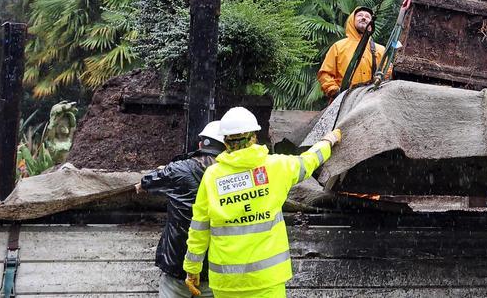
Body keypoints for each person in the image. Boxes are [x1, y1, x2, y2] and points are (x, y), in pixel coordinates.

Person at [183, 106, 342, 298]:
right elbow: (308, 161)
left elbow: (199, 228)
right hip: (267, 280)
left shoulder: (212, 176)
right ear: (254, 137)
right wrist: (328, 141)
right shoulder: (277, 166)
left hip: (227, 283)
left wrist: (192, 268)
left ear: (225, 141)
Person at [139, 121, 225, 298]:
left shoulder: (179, 168)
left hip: (178, 265)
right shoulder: (235, 174)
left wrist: (165, 170)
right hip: (218, 267)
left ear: (200, 145)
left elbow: (147, 181)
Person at [317, 6, 386, 99]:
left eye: (367, 17)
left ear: (371, 24)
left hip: (370, 100)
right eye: (360, 15)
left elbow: (387, 74)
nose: (364, 18)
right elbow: (325, 74)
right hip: (343, 99)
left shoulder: (380, 50)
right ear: (352, 20)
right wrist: (335, 92)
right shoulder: (338, 46)